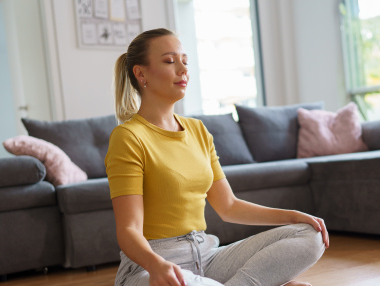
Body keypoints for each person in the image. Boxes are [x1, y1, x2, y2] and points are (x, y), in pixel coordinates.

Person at [105, 28, 329, 286]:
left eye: (185, 62)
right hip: (152, 266)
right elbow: (129, 230)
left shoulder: (198, 130)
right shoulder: (128, 137)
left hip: (208, 257)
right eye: (170, 61)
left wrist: (293, 216)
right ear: (140, 73)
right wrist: (157, 265)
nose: (183, 70)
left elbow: (229, 206)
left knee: (311, 234)